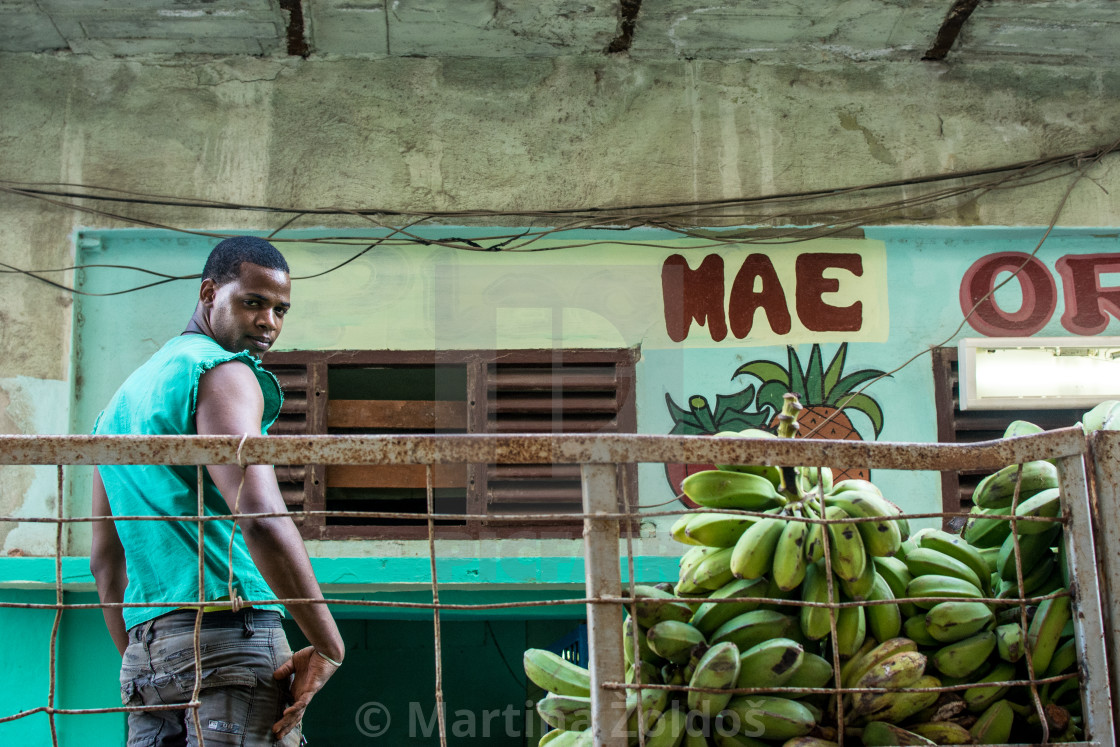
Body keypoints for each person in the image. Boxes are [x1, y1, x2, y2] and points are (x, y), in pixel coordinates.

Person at [89, 236, 344, 746]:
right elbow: (261, 517)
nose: (268, 321)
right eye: (253, 302)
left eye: (279, 309)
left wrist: (145, 660)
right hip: (229, 632)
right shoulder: (222, 371)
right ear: (209, 292)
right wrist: (329, 645)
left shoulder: (118, 405)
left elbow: (105, 563)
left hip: (144, 653)